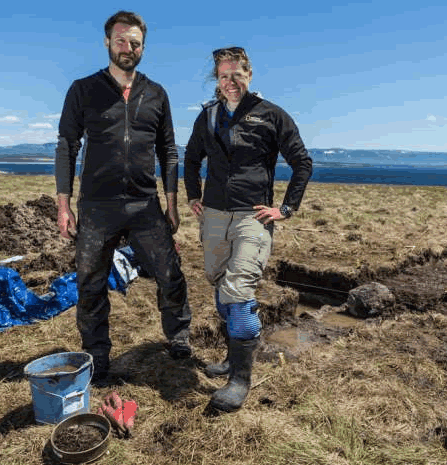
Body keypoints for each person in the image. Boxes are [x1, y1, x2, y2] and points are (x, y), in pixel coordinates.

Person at [55, 11, 192, 383]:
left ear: (143, 47)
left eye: (134, 42)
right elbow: (67, 145)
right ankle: (97, 356)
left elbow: (169, 151)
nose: (127, 48)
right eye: (120, 41)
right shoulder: (84, 90)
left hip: (145, 204)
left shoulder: (156, 93)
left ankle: (179, 337)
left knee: (169, 272)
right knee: (91, 282)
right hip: (97, 206)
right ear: (106, 43)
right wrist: (63, 204)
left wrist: (172, 203)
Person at [184, 47, 312, 412]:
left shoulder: (271, 115)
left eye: (237, 75)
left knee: (238, 288)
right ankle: (231, 355)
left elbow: (302, 162)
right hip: (213, 216)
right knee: (219, 282)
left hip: (253, 217)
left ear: (249, 75)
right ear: (217, 79)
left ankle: (239, 380)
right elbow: (192, 158)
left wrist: (286, 208)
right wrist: (194, 195)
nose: (230, 82)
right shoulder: (207, 116)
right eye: (224, 76)